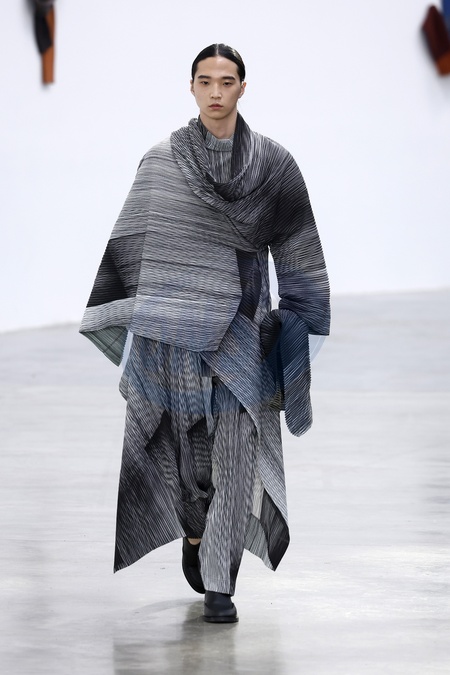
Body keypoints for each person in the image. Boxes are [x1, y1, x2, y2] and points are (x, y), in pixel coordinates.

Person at [80, 43, 330, 623]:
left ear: (243, 87)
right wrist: (131, 317)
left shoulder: (275, 166)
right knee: (188, 461)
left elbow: (299, 251)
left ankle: (221, 582)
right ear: (191, 87)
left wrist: (296, 321)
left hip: (243, 334)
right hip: (172, 338)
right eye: (205, 81)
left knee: (237, 455)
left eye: (227, 80)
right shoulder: (161, 162)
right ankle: (195, 535)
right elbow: (130, 247)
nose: (216, 91)